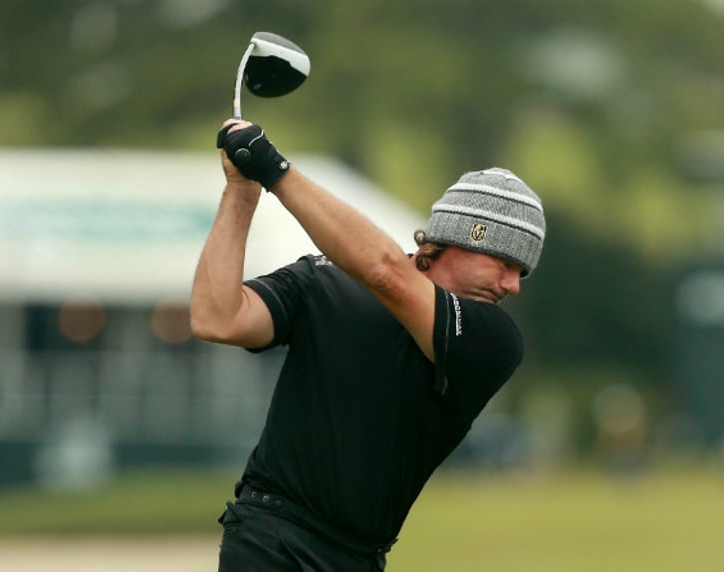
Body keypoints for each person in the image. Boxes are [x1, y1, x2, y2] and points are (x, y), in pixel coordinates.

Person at [192, 118, 546, 571]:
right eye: (506, 262)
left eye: (522, 272)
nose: (512, 285)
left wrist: (275, 169)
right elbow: (217, 317)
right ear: (460, 239)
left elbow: (385, 274)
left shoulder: (492, 339)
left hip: (357, 559)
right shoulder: (325, 279)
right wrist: (242, 191)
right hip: (271, 539)